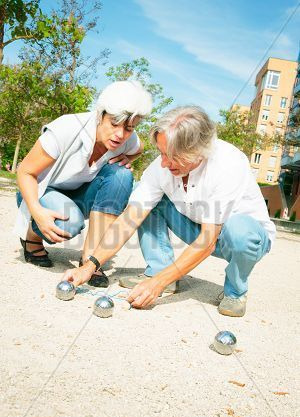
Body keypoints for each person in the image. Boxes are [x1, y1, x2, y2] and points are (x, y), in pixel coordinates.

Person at [62, 106, 276, 317]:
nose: (163, 163)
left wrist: (156, 285)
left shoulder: (227, 164)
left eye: (172, 155)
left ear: (198, 150)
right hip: (197, 225)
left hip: (241, 238)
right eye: (162, 153)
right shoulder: (161, 165)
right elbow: (130, 218)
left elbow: (207, 241)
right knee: (143, 197)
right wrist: (90, 266)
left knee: (241, 232)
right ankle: (160, 270)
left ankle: (236, 292)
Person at [15, 81, 152, 287]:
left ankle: (89, 259)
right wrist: (37, 212)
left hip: (78, 193)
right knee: (68, 224)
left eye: (129, 128)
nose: (120, 135)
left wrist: (128, 160)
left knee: (122, 175)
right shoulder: (66, 127)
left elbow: (138, 148)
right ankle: (32, 237)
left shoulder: (127, 139)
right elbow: (25, 171)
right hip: (40, 190)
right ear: (100, 115)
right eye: (114, 124)